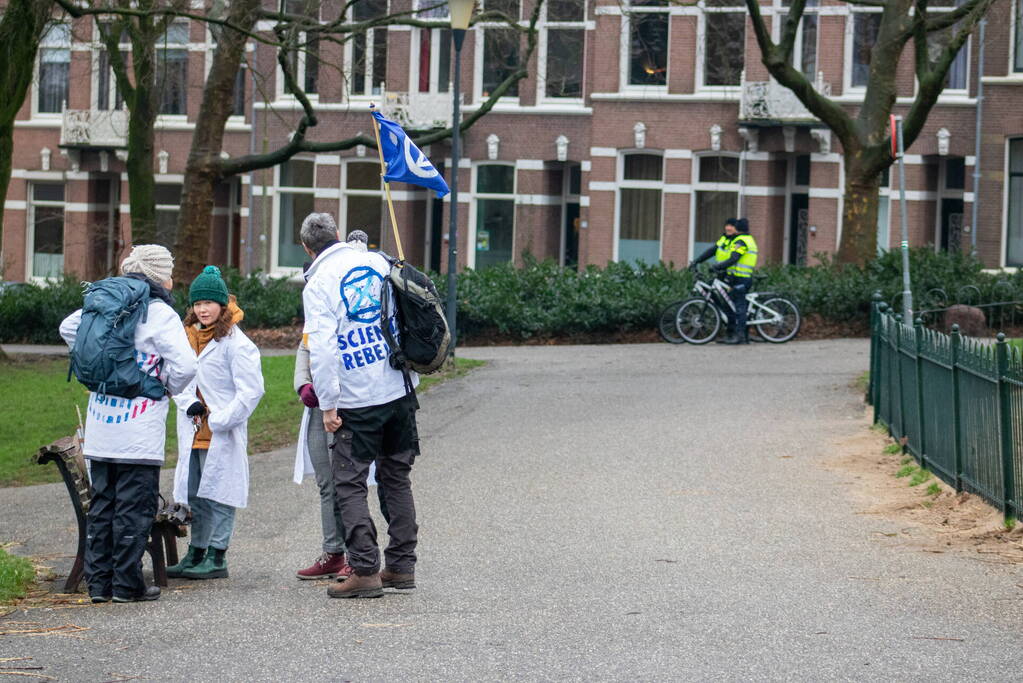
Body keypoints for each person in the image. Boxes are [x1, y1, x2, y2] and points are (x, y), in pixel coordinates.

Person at [59, 245, 197, 603]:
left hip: (101, 426)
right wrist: (161, 385)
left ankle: (99, 584)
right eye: (168, 271)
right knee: (134, 510)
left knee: (104, 505)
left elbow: (68, 327)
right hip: (138, 430)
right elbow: (186, 367)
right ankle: (127, 584)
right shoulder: (159, 313)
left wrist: (101, 370)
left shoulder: (104, 304)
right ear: (158, 275)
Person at [300, 212, 421, 599]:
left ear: (306, 247)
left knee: (348, 483)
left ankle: (365, 569)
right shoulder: (377, 260)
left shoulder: (318, 282)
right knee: (396, 478)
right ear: (337, 234)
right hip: (399, 388)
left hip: (357, 399)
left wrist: (329, 405)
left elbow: (321, 349)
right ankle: (401, 567)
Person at [167, 266, 265, 580]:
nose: (203, 309)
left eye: (209, 303)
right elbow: (176, 379)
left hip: (221, 432)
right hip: (194, 430)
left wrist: (221, 419)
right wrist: (188, 403)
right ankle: (196, 552)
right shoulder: (187, 338)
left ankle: (217, 556)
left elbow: (251, 391)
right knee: (195, 495)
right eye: (197, 303)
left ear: (222, 305)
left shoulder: (237, 343)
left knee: (220, 495)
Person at [696, 218, 758, 345]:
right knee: (729, 305)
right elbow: (713, 250)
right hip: (732, 277)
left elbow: (734, 258)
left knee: (739, 307)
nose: (730, 228)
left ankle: (741, 336)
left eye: (733, 226)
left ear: (738, 229)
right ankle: (730, 334)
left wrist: (717, 267)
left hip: (742, 278)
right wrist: (697, 261)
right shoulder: (733, 239)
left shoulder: (742, 241)